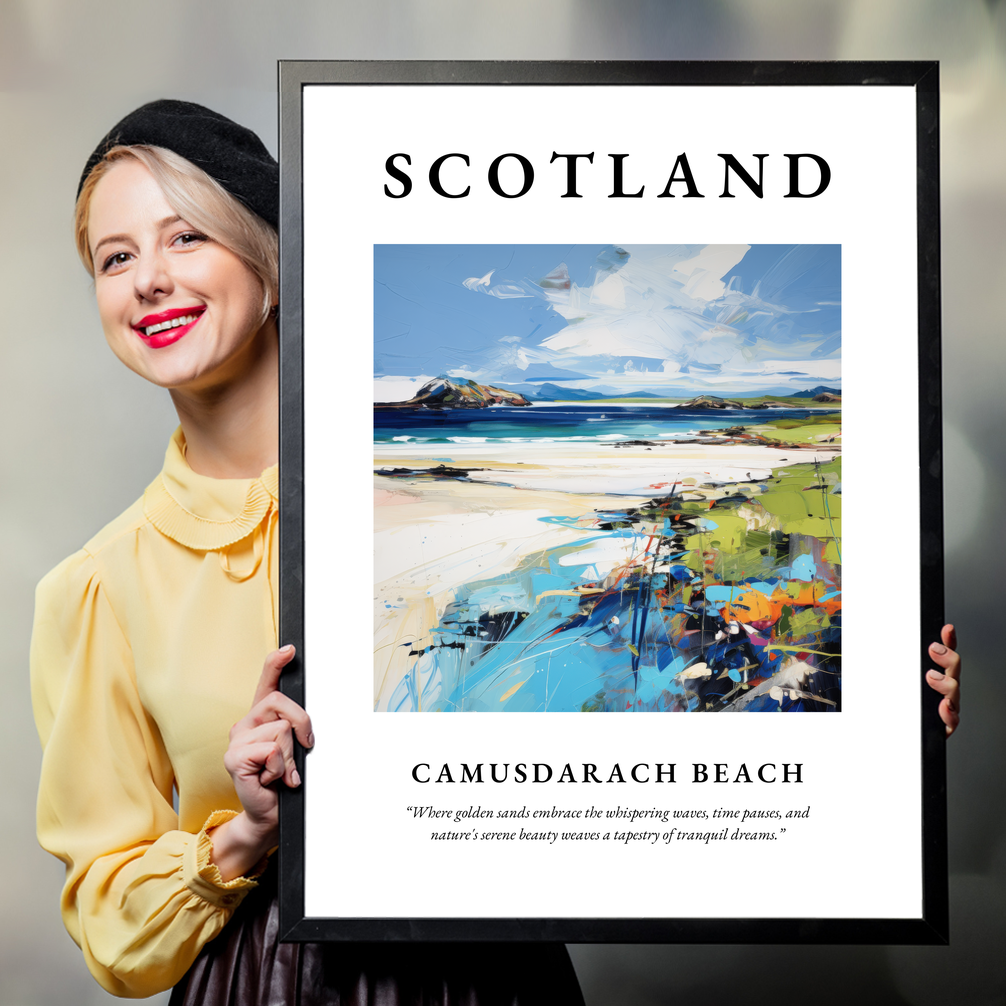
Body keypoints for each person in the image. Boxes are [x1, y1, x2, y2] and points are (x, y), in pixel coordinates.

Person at [30, 100, 585, 1004]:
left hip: (493, 972)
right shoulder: (97, 586)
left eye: (185, 239)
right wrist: (245, 832)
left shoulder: (456, 500)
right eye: (116, 257)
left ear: (273, 264)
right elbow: (110, 925)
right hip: (263, 981)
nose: (148, 281)